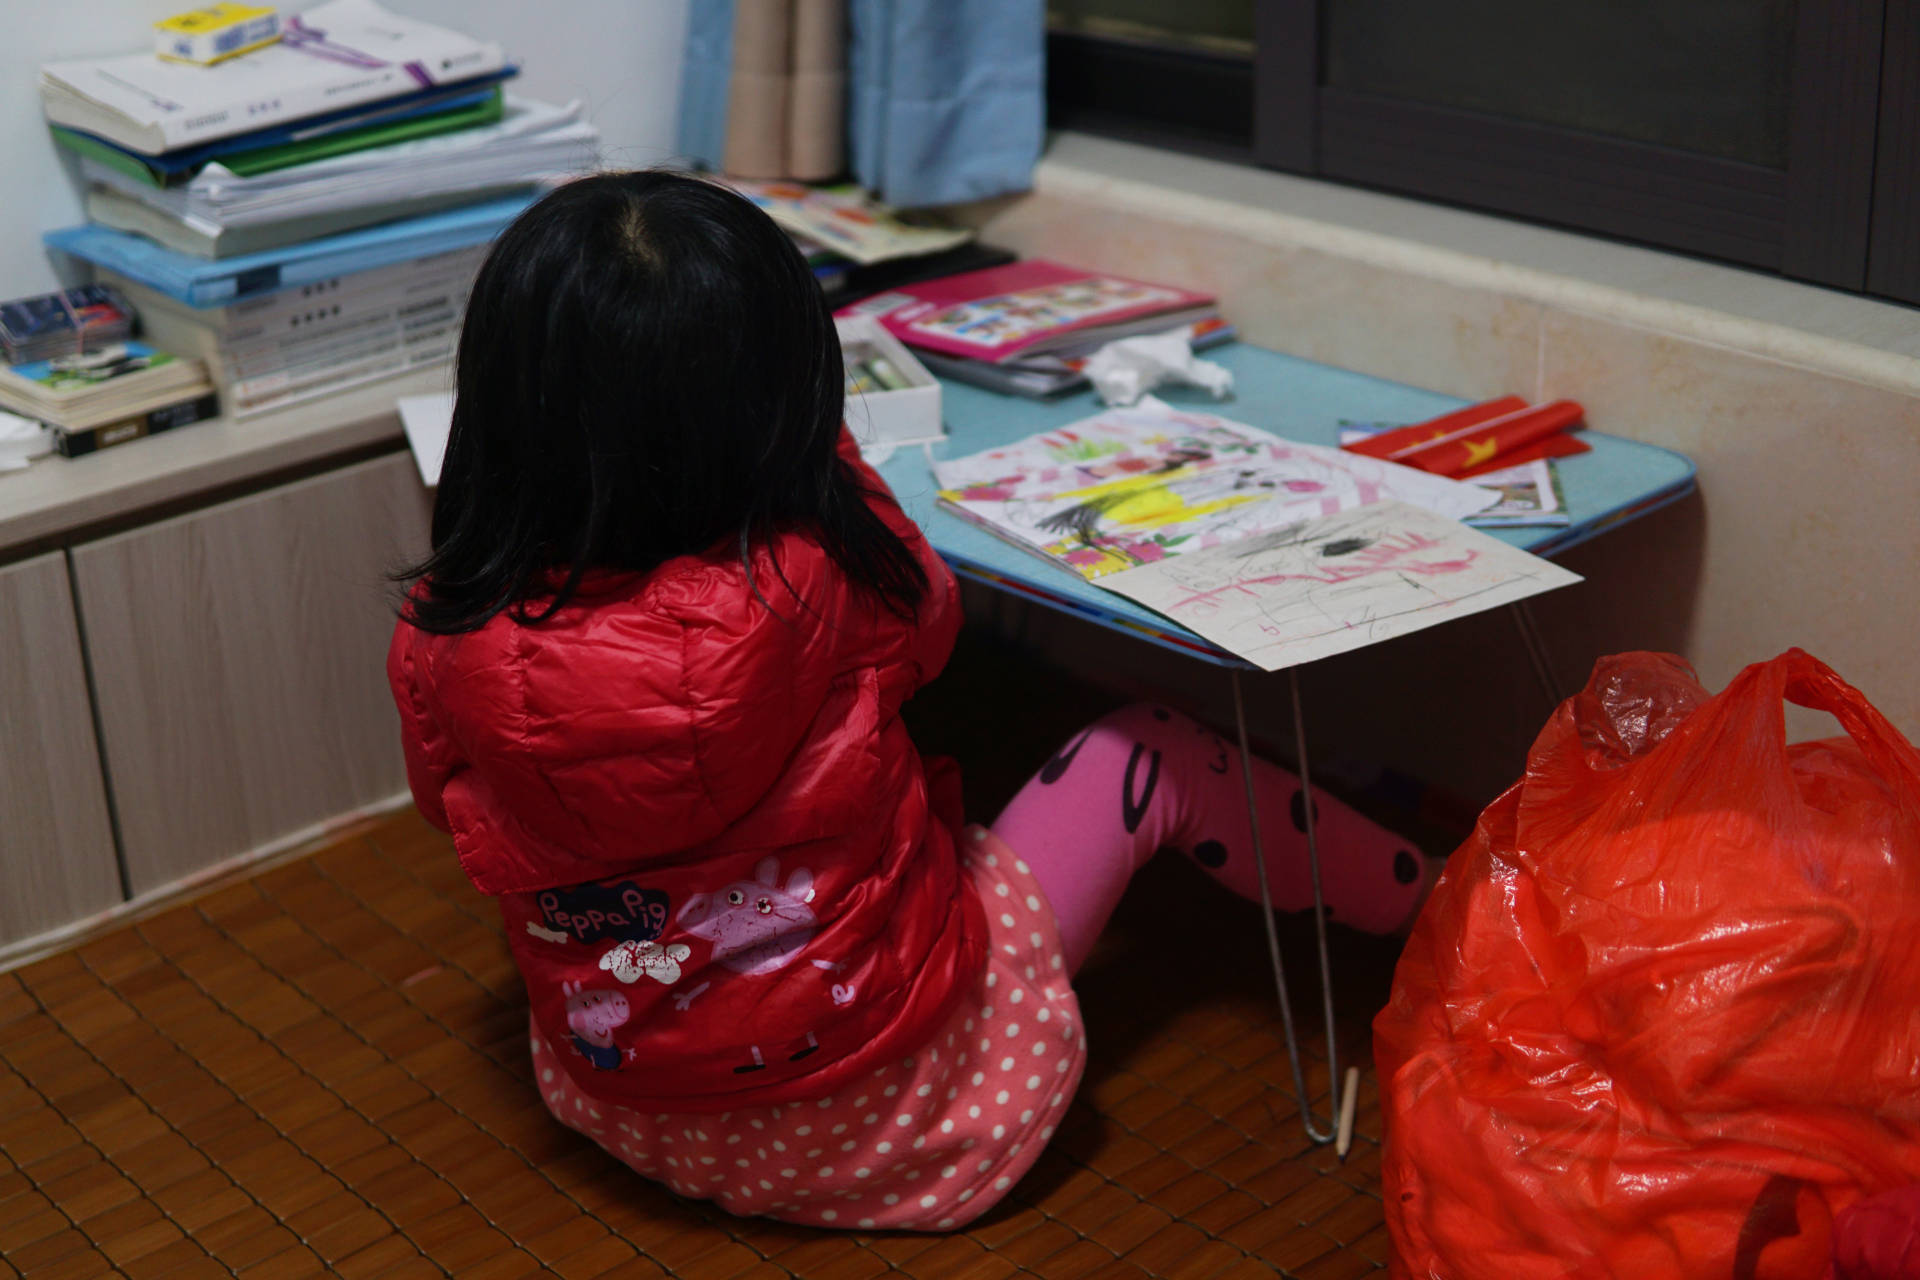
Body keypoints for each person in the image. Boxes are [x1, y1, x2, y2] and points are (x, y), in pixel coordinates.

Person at [387, 170, 1432, 1232]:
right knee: (1145, 753)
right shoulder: (816, 574)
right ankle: (1440, 899)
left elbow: (447, 806)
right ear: (782, 400)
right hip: (901, 1111)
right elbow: (935, 625)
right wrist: (820, 467)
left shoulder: (441, 627)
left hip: (629, 1099)